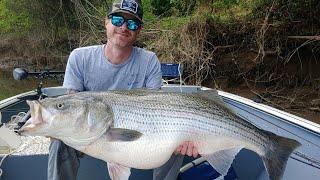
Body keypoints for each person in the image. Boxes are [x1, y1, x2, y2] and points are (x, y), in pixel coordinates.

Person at [47, 0, 198, 180]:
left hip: (136, 134)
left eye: (132, 23)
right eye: (118, 20)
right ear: (106, 22)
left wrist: (181, 137)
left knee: (173, 144)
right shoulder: (79, 57)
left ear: (138, 31)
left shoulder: (149, 61)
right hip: (90, 134)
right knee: (60, 141)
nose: (124, 27)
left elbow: (158, 109)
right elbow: (71, 107)